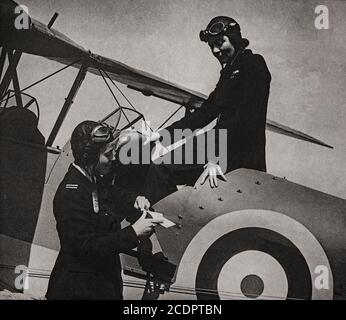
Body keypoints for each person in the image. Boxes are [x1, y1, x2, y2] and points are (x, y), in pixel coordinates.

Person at [139, 16, 271, 203]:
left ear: (234, 38)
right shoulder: (228, 72)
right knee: (160, 170)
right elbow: (205, 113)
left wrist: (215, 156)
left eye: (219, 42)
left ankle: (160, 223)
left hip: (240, 151)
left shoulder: (253, 64)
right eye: (211, 47)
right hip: (220, 143)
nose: (216, 50)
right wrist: (163, 135)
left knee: (162, 166)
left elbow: (246, 120)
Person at [46, 121, 163, 300]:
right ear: (89, 157)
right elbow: (86, 246)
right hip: (77, 292)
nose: (114, 158)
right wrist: (133, 233)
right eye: (108, 154)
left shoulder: (92, 181)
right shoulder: (71, 193)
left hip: (101, 288)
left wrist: (135, 199)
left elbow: (113, 193)